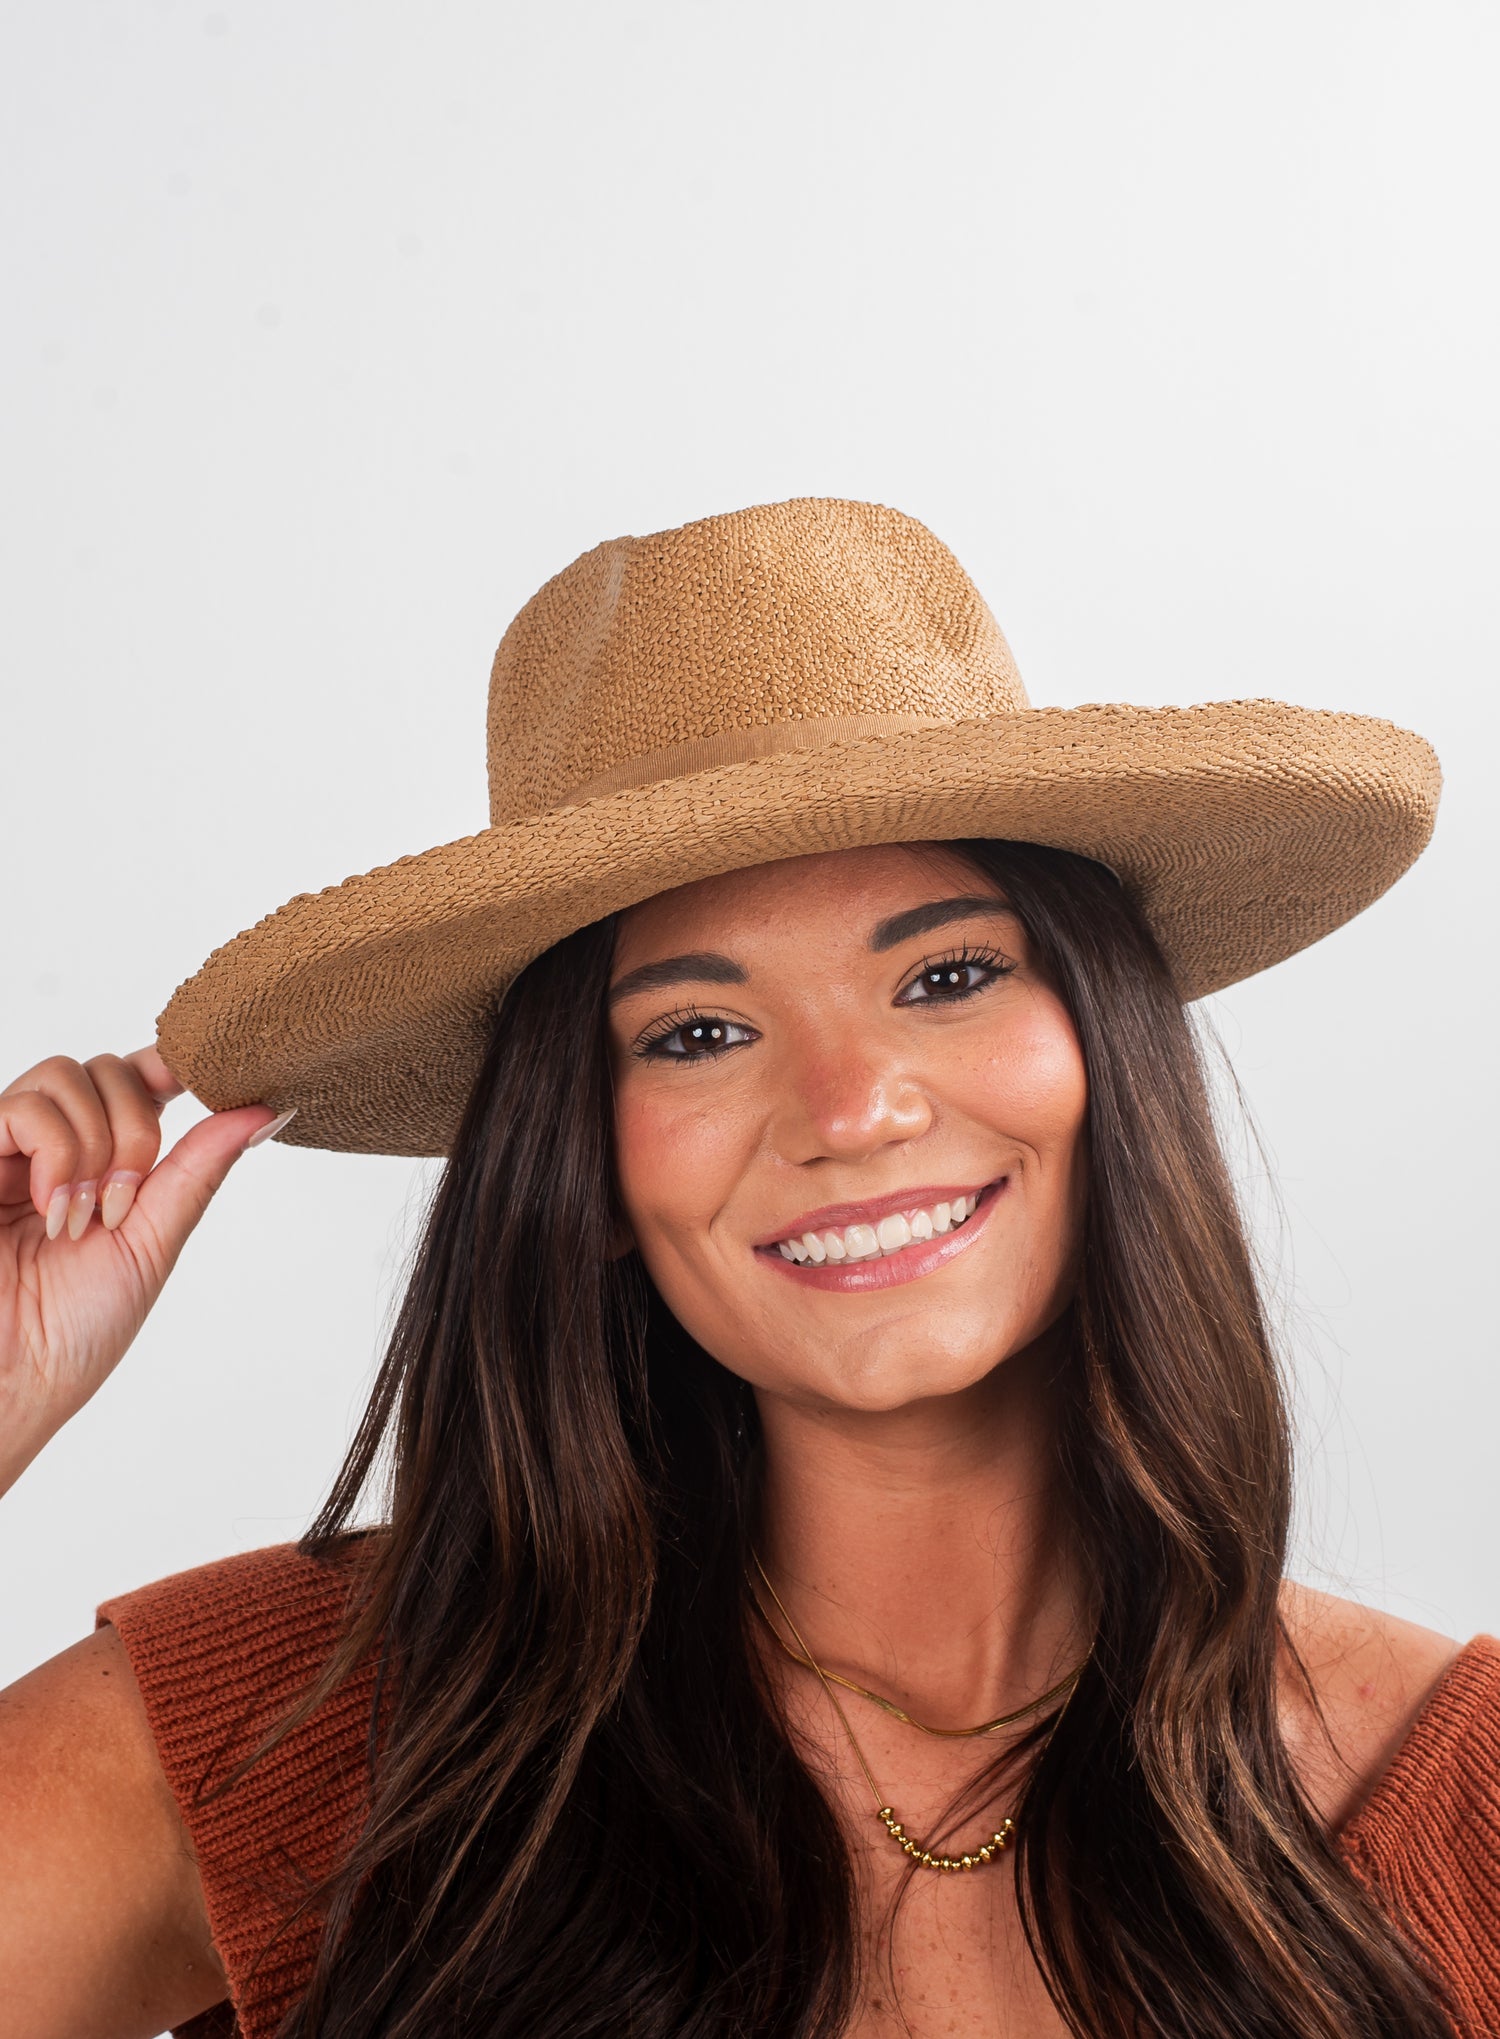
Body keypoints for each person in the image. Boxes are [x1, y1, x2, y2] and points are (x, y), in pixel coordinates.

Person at [0, 498, 1493, 2039]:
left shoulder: (1463, 1802)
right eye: (700, 1034)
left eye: (949, 974)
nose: (853, 1110)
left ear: (1106, 1051)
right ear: (582, 1168)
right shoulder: (289, 1729)